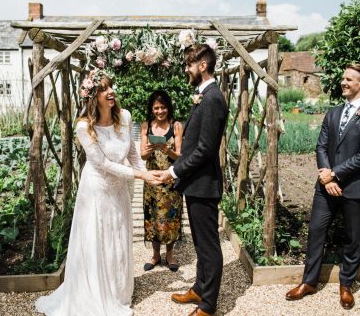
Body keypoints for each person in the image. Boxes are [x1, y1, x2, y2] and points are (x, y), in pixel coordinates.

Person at [35, 70, 160, 316]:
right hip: (96, 190)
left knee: (118, 238)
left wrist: (149, 175)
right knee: (98, 240)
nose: (111, 91)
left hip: (119, 191)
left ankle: (117, 291)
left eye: (111, 86)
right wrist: (141, 176)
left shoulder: (125, 116)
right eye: (104, 88)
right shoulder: (84, 127)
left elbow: (133, 155)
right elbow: (103, 164)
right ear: (93, 96)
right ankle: (96, 292)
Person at [285, 64, 360, 310]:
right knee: (316, 232)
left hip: (355, 188)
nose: (343, 82)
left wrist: (334, 175)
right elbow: (321, 146)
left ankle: (346, 285)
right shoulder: (333, 112)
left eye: (349, 79)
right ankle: (309, 282)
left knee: (353, 238)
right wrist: (325, 177)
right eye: (343, 78)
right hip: (325, 187)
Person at [155, 44, 228, 316]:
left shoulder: (212, 98)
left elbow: (205, 149)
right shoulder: (203, 96)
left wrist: (174, 171)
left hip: (204, 184)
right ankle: (199, 288)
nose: (186, 69)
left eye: (189, 64)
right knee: (200, 243)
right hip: (197, 184)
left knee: (209, 246)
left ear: (203, 66)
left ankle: (208, 305)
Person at [140, 90, 183, 272]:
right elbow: (142, 155)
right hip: (152, 181)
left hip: (171, 180)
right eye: (156, 108)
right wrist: (149, 149)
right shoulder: (145, 126)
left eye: (163, 107)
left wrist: (167, 150)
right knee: (152, 217)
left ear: (168, 108)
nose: (159, 111)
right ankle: (156, 255)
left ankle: (170, 254)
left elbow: (181, 156)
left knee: (171, 218)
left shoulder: (176, 126)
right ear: (151, 109)